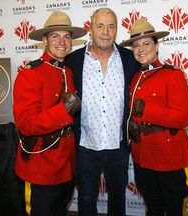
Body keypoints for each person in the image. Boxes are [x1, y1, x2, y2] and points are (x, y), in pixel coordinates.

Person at [65, 8, 139, 216]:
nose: (106, 31)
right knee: (86, 199)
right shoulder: (74, 60)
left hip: (118, 144)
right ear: (91, 30)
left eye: (111, 26)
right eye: (100, 26)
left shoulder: (129, 59)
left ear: (116, 30)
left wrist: (174, 70)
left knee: (118, 197)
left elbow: (149, 71)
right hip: (86, 144)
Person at [119, 18, 188, 216]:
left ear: (157, 46)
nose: (141, 49)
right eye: (136, 45)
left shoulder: (173, 75)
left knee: (174, 211)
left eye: (146, 43)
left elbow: (182, 118)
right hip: (143, 158)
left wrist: (146, 110)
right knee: (153, 209)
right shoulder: (135, 77)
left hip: (170, 158)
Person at [13, 10, 87, 216]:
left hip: (66, 163)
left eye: (66, 36)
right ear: (44, 40)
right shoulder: (30, 74)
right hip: (40, 165)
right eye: (55, 36)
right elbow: (26, 124)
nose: (62, 42)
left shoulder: (68, 72)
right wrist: (64, 111)